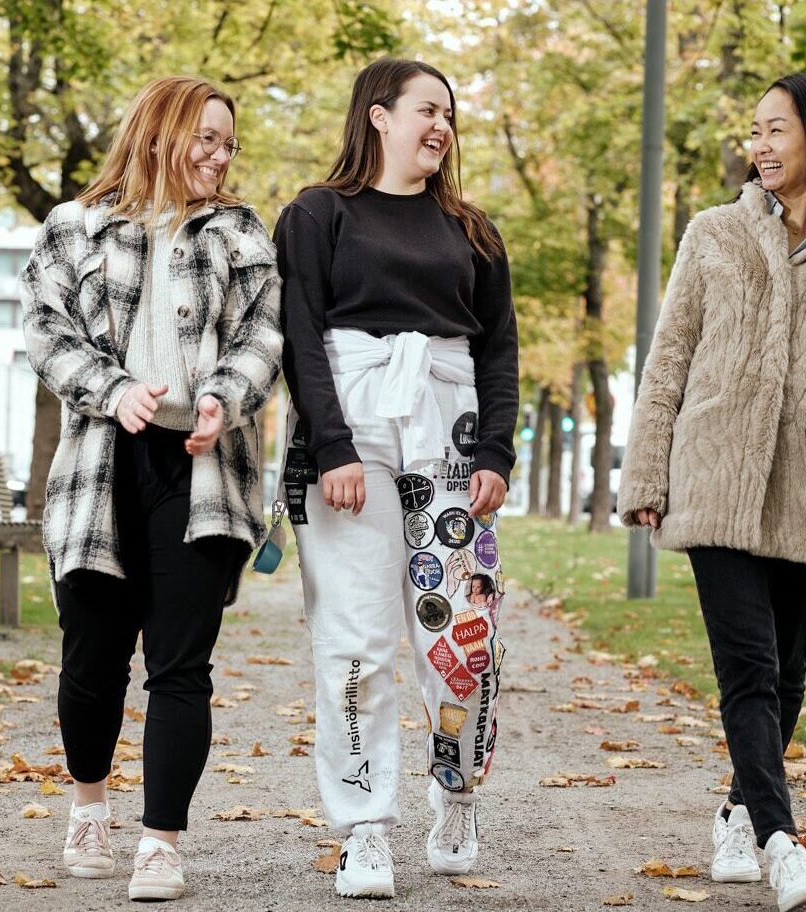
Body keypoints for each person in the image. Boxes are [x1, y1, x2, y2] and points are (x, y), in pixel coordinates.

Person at [617, 72, 806, 912]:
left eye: (776, 129)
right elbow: (669, 359)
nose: (761, 145)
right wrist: (647, 474)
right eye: (755, 131)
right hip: (714, 477)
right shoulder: (713, 234)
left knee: (787, 673)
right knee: (746, 666)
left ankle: (738, 812)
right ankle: (782, 843)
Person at [20, 74, 283, 903]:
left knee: (180, 666)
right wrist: (112, 388)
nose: (220, 156)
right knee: (91, 662)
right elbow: (44, 329)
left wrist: (222, 399)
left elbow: (263, 337)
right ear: (160, 132)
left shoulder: (241, 232)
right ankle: (88, 809)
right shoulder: (74, 226)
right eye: (207, 138)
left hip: (202, 469)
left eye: (229, 143)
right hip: (100, 466)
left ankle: (161, 843)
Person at [275, 57, 517, 900]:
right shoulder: (316, 214)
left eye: (449, 114)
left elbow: (499, 349)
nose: (442, 125)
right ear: (378, 116)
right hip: (352, 424)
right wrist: (331, 446)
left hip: (449, 427)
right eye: (427, 109)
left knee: (462, 639)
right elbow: (300, 337)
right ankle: (365, 827)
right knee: (357, 638)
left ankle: (457, 793)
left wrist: (496, 452)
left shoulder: (472, 230)